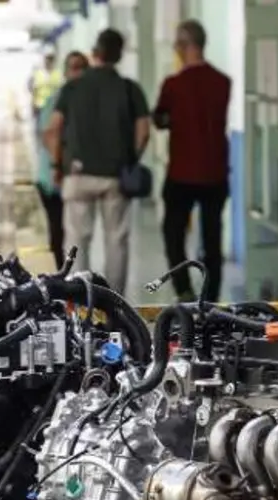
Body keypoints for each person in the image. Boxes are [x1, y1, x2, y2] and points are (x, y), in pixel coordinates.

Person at [43, 29, 150, 294]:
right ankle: (114, 301)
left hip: (77, 175)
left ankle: (81, 299)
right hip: (115, 177)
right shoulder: (129, 89)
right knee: (117, 240)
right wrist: (132, 159)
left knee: (77, 241)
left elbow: (52, 129)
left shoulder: (72, 87)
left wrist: (57, 164)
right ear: (119, 55)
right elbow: (144, 131)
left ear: (95, 53)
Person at [153, 19, 232, 303]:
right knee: (212, 238)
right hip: (215, 174)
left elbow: (159, 118)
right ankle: (210, 297)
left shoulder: (173, 84)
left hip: (182, 173)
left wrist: (171, 119)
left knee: (173, 234)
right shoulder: (223, 82)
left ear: (185, 46)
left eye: (177, 44)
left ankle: (184, 291)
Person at [34, 51, 89, 267]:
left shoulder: (80, 98)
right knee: (60, 231)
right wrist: (57, 167)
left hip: (67, 174)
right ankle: (62, 275)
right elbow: (49, 135)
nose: (79, 73)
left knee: (72, 232)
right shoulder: (58, 99)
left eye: (82, 68)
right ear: (65, 72)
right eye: (74, 68)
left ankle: (66, 273)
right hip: (53, 178)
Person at [29, 50, 63, 123]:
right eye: (47, 59)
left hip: (53, 106)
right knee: (40, 126)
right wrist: (33, 105)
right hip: (40, 105)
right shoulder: (38, 74)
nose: (48, 62)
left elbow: (60, 91)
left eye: (50, 59)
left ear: (53, 61)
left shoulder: (58, 74)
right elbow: (34, 91)